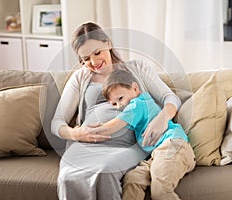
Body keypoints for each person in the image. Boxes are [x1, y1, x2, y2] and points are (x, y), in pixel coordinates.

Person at [51, 22, 182, 200]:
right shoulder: (80, 77)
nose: (94, 62)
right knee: (67, 176)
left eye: (97, 53)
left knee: (106, 172)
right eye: (86, 59)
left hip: (128, 145)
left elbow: (171, 97)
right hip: (86, 145)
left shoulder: (137, 69)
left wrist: (163, 118)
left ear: (108, 44)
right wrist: (77, 133)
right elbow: (56, 122)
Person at [91, 69, 196, 200]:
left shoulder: (137, 105)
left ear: (135, 88)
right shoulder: (141, 102)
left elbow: (115, 125)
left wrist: (91, 131)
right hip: (156, 154)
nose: (119, 106)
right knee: (133, 179)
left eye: (121, 98)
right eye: (114, 104)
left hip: (173, 147)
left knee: (160, 189)